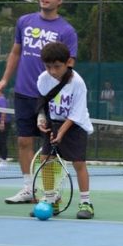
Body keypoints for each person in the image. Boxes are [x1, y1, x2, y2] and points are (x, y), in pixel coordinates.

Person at [0, 0, 78, 205]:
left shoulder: (67, 30)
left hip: (50, 98)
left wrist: (61, 95)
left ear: (59, 0)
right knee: (23, 141)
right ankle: (28, 188)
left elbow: (69, 66)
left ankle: (51, 190)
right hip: (23, 93)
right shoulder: (24, 22)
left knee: (49, 146)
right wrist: (5, 79)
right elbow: (15, 53)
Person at [34, 42, 96, 219]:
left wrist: (61, 132)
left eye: (57, 66)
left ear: (69, 62)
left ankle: (86, 202)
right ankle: (51, 199)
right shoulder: (43, 79)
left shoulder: (78, 83)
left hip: (75, 126)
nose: (52, 71)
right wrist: (41, 118)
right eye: (48, 66)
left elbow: (76, 113)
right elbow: (43, 103)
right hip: (53, 123)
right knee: (46, 160)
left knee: (78, 163)